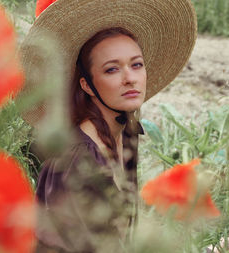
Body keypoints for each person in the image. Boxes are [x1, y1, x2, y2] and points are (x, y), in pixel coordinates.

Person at [20, 0, 197, 252]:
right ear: (87, 85)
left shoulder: (126, 133)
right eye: (112, 69)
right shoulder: (75, 161)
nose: (130, 78)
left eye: (137, 64)